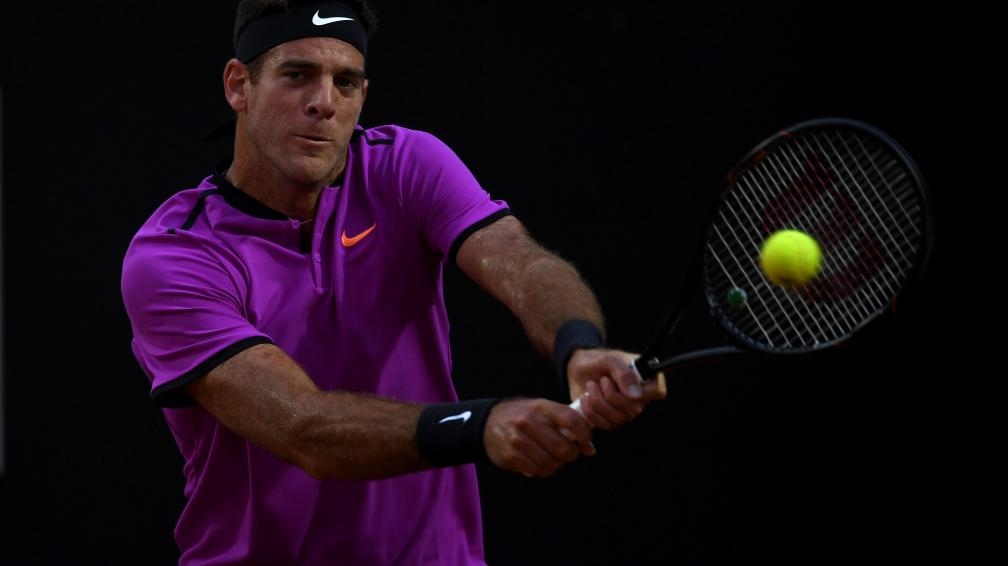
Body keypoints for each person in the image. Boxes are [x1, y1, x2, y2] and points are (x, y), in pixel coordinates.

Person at [120, 1, 666, 564]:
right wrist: (479, 426)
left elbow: (520, 261)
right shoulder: (175, 255)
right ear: (239, 85)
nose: (324, 102)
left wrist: (578, 346)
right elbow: (304, 428)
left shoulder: (405, 164)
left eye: (345, 82)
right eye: (297, 75)